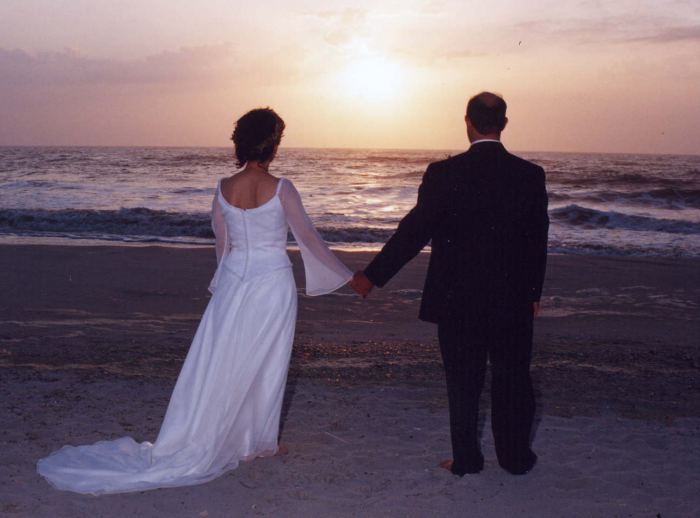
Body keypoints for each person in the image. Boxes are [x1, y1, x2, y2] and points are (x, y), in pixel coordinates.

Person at [37, 108, 352, 495]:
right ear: (274, 144)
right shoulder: (282, 187)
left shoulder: (223, 187)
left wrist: (225, 284)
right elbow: (309, 239)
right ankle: (257, 443)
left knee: (224, 358)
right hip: (272, 283)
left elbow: (224, 245)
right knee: (267, 359)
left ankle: (238, 438)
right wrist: (349, 275)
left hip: (237, 279)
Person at [351, 92, 549, 476]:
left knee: (462, 381)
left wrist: (371, 276)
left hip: (458, 299)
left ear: (468, 123)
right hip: (511, 298)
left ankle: (467, 460)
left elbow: (413, 232)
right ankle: (515, 459)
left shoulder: (444, 174)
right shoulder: (529, 175)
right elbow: (536, 241)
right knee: (512, 378)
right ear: (504, 124)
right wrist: (533, 294)